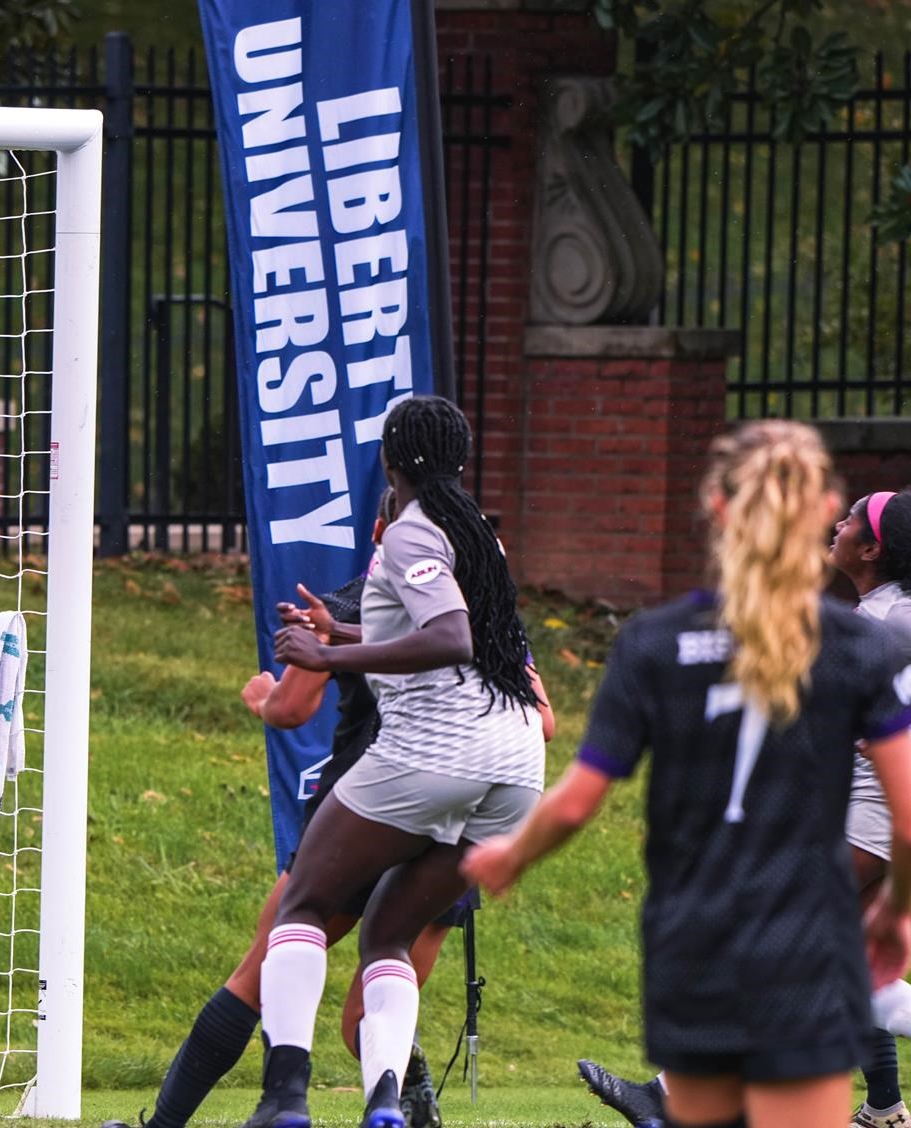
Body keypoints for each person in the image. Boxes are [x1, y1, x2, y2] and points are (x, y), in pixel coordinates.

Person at [466, 422, 911, 1128]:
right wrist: (897, 908)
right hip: (801, 934)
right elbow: (908, 814)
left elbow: (579, 803)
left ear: (716, 508)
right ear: (824, 506)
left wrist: (510, 855)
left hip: (691, 939)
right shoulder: (857, 645)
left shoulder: (654, 641)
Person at [103, 488, 551, 1128]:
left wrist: (262, 696)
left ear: (378, 530)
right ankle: (403, 1105)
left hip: (368, 814)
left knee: (258, 975)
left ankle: (193, 1120)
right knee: (367, 1012)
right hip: (466, 812)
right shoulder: (486, 620)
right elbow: (546, 721)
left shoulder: (349, 599)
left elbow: (292, 709)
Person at [249, 395, 546, 1128]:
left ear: (388, 458)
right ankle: (386, 1103)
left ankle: (285, 1097)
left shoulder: (413, 531)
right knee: (387, 936)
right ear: (459, 459)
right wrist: (342, 629)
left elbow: (449, 637)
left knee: (305, 904)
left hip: (438, 750)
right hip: (516, 765)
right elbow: (436, 624)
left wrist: (325, 654)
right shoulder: (476, 530)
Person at [578, 486, 911, 1128]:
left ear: (871, 548)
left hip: (871, 818)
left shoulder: (881, 622)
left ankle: (673, 1096)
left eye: (851, 517)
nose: (837, 521)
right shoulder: (885, 612)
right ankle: (884, 1106)